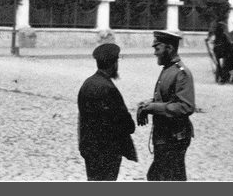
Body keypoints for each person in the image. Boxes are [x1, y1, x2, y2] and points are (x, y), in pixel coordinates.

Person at [137, 30, 196, 181]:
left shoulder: (181, 73)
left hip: (174, 137)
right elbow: (168, 97)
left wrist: (153, 108)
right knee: (161, 177)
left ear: (169, 48)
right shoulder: (168, 69)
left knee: (165, 178)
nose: (155, 53)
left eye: (157, 48)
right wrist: (148, 104)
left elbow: (186, 106)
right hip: (165, 136)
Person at [77, 43, 137, 181]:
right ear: (114, 64)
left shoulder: (87, 84)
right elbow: (126, 124)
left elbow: (82, 119)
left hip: (90, 150)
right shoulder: (109, 89)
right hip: (108, 152)